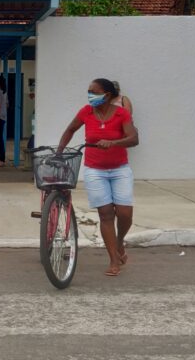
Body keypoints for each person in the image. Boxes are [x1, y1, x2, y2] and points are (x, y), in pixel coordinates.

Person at [57, 78, 139, 277]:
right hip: (95, 170)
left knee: (125, 213)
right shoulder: (86, 111)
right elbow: (70, 129)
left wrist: (114, 142)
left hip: (120, 169)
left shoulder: (121, 113)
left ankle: (119, 242)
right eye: (89, 91)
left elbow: (134, 138)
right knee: (105, 214)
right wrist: (59, 153)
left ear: (107, 95)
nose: (90, 95)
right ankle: (113, 260)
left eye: (94, 92)